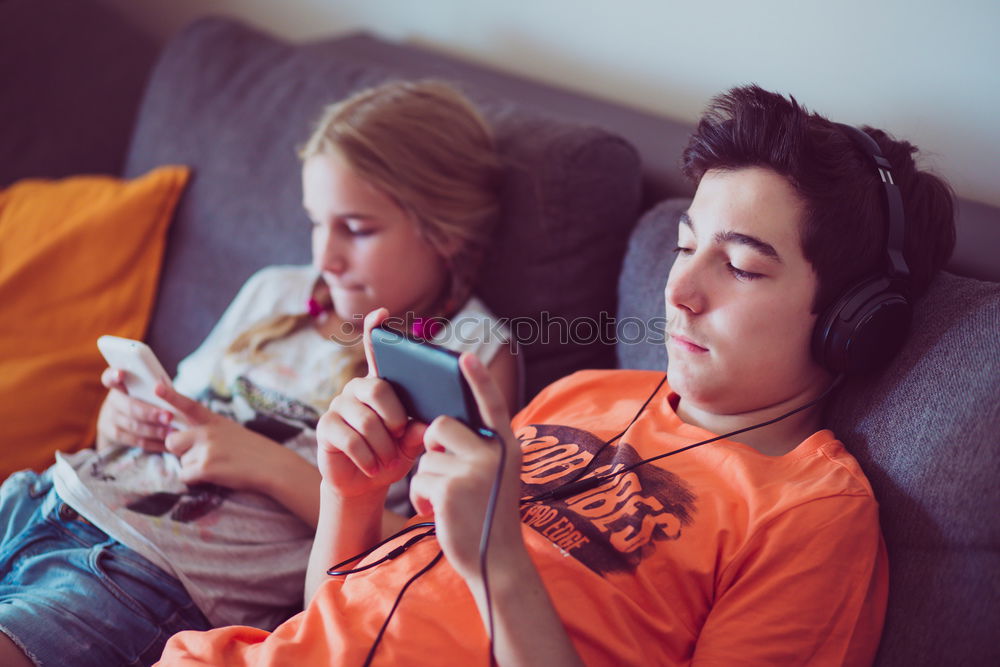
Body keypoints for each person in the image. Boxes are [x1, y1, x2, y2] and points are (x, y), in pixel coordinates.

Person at [156, 85, 956, 665]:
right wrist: (353, 493)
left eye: (741, 266)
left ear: (853, 318)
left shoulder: (812, 515)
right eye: (685, 247)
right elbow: (343, 613)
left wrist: (501, 559)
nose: (678, 290)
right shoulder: (584, 394)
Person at [0, 80, 518, 667]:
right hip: (44, 496)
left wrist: (271, 468)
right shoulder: (276, 291)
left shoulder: (469, 353)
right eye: (317, 224)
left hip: (146, 578)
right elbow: (180, 408)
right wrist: (123, 421)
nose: (325, 257)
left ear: (445, 229)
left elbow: (439, 550)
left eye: (357, 228)